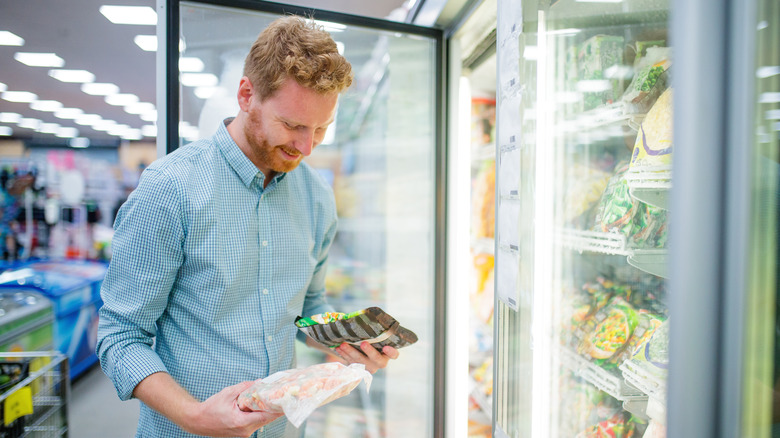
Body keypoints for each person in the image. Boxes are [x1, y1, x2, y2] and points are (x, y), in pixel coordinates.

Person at [96, 15, 399, 438]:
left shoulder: (316, 197)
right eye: (292, 125)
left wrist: (348, 343)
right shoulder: (171, 189)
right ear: (246, 95)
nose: (306, 147)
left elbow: (308, 312)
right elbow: (120, 336)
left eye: (321, 129)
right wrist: (195, 416)